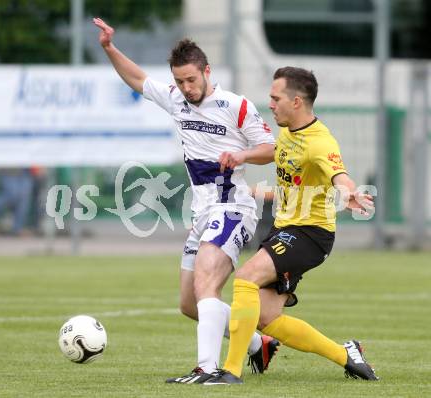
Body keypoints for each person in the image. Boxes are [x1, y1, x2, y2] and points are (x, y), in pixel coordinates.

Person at [93, 18, 279, 383]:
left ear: (206, 71)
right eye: (179, 81)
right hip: (203, 213)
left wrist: (242, 156)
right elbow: (136, 79)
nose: (186, 87)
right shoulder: (176, 99)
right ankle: (259, 344)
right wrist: (109, 48)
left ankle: (207, 369)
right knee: (189, 304)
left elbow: (271, 149)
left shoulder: (235, 105)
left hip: (233, 208)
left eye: (192, 79)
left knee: (207, 283)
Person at [204, 66, 379, 385]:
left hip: (310, 235)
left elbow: (338, 174)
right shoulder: (288, 132)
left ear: (296, 101)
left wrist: (348, 191)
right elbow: (279, 158)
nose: (270, 103)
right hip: (285, 229)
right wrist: (245, 162)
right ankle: (346, 354)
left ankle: (229, 372)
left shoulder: (320, 142)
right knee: (268, 319)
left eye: (275, 98)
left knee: (245, 279)